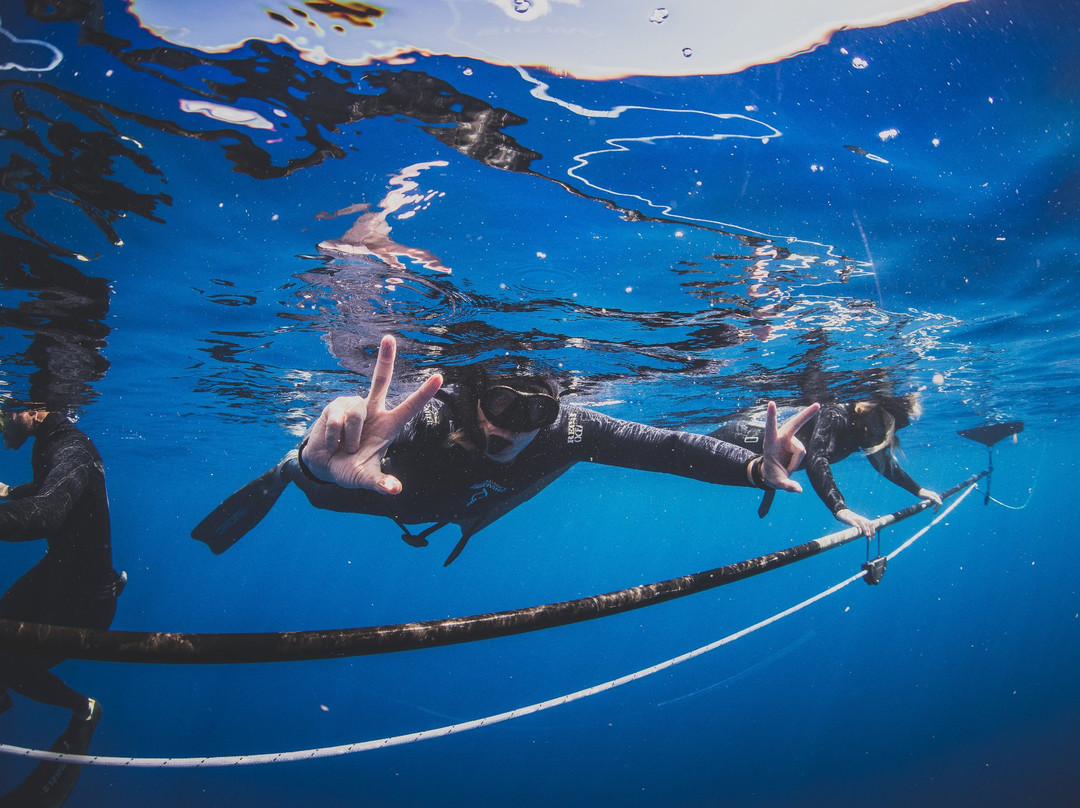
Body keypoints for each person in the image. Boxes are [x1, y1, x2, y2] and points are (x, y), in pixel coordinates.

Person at [194, 335, 820, 563]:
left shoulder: (568, 431)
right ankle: (296, 466)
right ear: (476, 396)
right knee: (325, 483)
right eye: (501, 404)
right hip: (382, 494)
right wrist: (315, 465)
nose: (511, 426)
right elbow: (346, 476)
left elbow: (667, 447)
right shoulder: (433, 415)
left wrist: (749, 467)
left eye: (535, 411)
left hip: (454, 510)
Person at [0, 402, 125, 734]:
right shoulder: (52, 440)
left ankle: (83, 709)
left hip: (82, 598)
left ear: (34, 408)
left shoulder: (71, 447)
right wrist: (12, 492)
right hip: (62, 574)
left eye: (3, 412)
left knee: (12, 668)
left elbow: (46, 513)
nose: (1, 423)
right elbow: (55, 487)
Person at [712, 395, 942, 537]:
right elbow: (815, 459)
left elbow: (886, 466)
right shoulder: (836, 413)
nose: (882, 434)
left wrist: (920, 491)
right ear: (874, 409)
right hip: (739, 438)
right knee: (682, 452)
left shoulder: (864, 431)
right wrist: (840, 508)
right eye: (885, 424)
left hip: (759, 465)